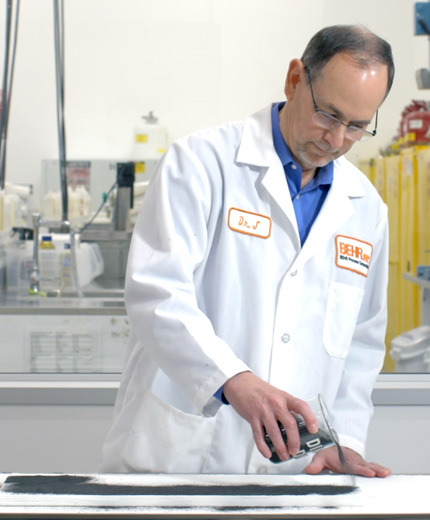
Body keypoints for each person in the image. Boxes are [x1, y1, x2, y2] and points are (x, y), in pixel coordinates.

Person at [99, 24, 394, 477]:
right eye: (328, 115)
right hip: (179, 457)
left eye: (356, 127)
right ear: (296, 79)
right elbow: (157, 293)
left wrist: (345, 438)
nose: (336, 140)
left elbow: (362, 341)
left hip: (293, 471)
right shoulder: (201, 163)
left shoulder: (366, 208)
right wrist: (232, 380)